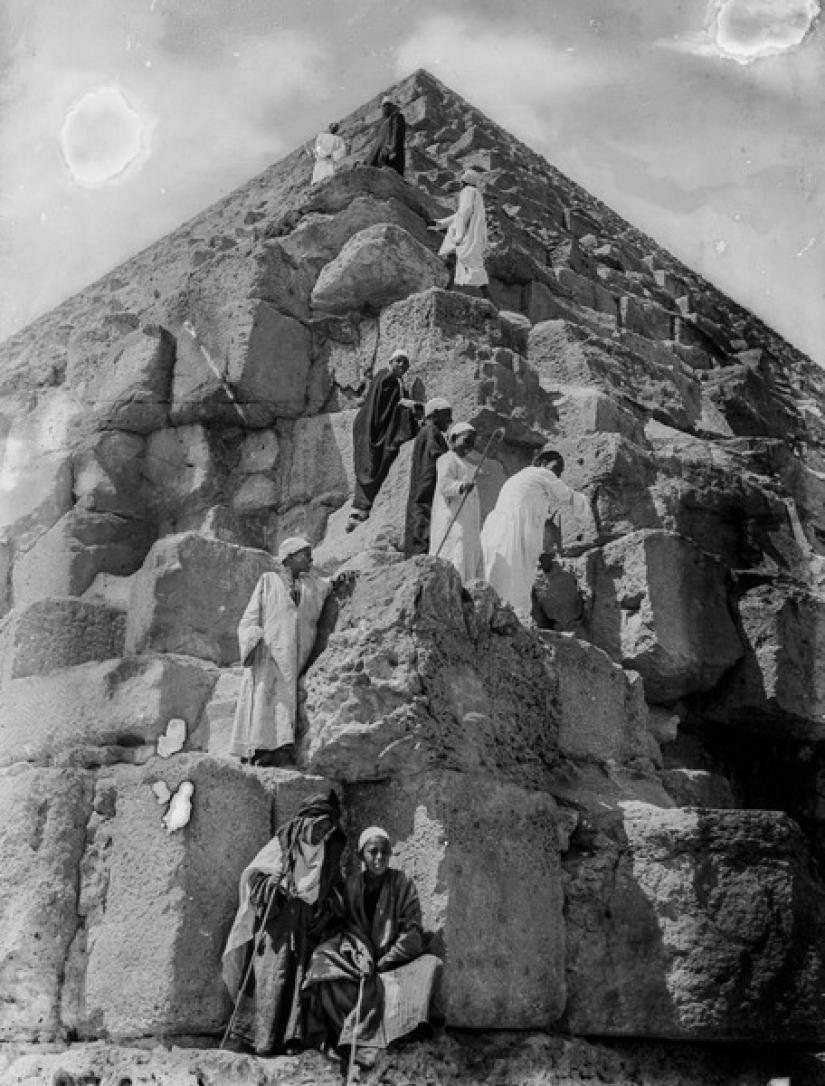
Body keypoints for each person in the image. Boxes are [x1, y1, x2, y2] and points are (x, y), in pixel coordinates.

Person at [304, 827, 441, 1069]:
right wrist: (359, 953)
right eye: (373, 851)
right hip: (360, 956)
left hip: (395, 959)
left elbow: (412, 933)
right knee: (321, 960)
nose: (379, 858)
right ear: (361, 855)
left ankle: (371, 1038)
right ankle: (347, 1038)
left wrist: (386, 960)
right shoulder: (351, 886)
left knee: (430, 966)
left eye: (384, 852)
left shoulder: (402, 882)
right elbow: (345, 927)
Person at [221, 791, 346, 1056]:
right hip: (276, 927)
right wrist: (273, 886)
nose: (321, 832)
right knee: (271, 977)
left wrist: (326, 907)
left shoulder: (330, 853)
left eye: (326, 827)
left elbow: (336, 889)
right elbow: (253, 880)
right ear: (304, 822)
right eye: (317, 826)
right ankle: (261, 1039)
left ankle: (293, 1038)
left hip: (309, 927)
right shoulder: (283, 845)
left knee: (300, 979)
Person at [229, 536, 334, 767]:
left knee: (284, 703)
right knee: (263, 701)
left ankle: (281, 750)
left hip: (291, 657)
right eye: (305, 555)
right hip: (266, 653)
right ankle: (258, 750)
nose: (310, 559)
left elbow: (326, 586)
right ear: (289, 557)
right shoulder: (268, 581)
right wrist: (252, 638)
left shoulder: (310, 585)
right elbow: (248, 619)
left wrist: (338, 579)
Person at [481, 446, 591, 621]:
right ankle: (512, 619)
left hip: (497, 531)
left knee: (498, 573)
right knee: (516, 577)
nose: (558, 476)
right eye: (556, 469)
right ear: (543, 463)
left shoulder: (521, 478)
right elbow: (565, 495)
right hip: (513, 531)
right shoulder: (540, 473)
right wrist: (587, 505)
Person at [347, 349, 420, 531]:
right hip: (371, 427)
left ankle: (361, 507)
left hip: (372, 425)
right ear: (391, 361)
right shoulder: (386, 378)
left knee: (372, 462)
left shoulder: (392, 380)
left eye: (405, 363)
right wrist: (406, 405)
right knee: (371, 462)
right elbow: (384, 407)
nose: (401, 365)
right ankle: (360, 508)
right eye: (398, 361)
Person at [429, 423, 483, 583]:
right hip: (452, 518)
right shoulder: (447, 459)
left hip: (467, 521)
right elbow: (444, 485)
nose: (470, 447)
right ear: (453, 439)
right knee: (455, 551)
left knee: (467, 552)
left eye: (473, 444)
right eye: (466, 441)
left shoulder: (466, 464)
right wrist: (461, 486)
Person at [403, 398, 453, 557]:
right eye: (447, 416)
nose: (450, 421)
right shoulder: (431, 430)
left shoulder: (427, 431)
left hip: (424, 482)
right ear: (436, 414)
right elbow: (434, 452)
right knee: (423, 514)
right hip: (427, 485)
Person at [430, 170, 490, 298]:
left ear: (464, 182)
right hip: (473, 234)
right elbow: (461, 213)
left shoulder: (467, 191)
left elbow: (464, 212)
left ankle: (448, 291)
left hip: (467, 234)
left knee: (461, 261)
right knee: (462, 262)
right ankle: (448, 290)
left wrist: (459, 235)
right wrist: (442, 223)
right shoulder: (476, 193)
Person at [365, 97, 406, 176]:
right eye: (384, 105)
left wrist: (392, 149)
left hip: (389, 156)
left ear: (393, 106)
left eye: (388, 105)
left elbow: (396, 133)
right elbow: (378, 143)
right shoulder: (384, 122)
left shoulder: (397, 117)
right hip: (382, 157)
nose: (385, 107)